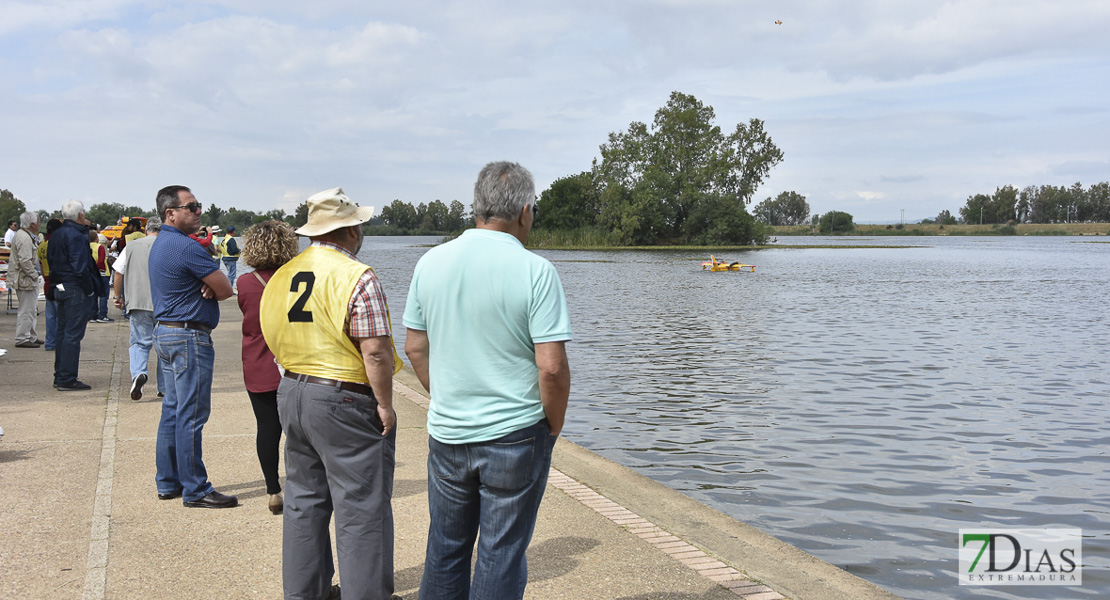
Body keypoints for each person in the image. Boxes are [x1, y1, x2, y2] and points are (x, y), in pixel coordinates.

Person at [403, 161, 572, 600]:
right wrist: (552, 425)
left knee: (445, 549)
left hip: (449, 430)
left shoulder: (430, 262)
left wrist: (445, 396)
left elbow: (415, 348)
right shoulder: (536, 271)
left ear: (477, 207)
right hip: (515, 434)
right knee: (501, 553)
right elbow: (551, 367)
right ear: (524, 211)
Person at [259, 188, 403, 600]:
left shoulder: (282, 274)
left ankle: (306, 592)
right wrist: (385, 405)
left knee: (304, 501)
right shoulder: (357, 275)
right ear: (351, 230)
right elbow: (374, 349)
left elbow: (271, 333)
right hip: (343, 397)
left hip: (293, 389)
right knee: (361, 507)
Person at [149, 185, 237, 509]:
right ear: (170, 213)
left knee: (172, 410)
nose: (198, 211)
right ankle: (196, 488)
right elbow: (227, 288)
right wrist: (211, 285)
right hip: (188, 337)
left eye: (198, 206)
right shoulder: (187, 247)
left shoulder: (161, 243)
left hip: (166, 333)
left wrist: (206, 285)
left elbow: (215, 286)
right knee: (192, 414)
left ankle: (168, 481)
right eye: (191, 207)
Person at [236, 220, 298, 516]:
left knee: (267, 428)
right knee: (299, 430)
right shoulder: (298, 278)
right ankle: (304, 484)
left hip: (258, 360)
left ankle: (273, 489)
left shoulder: (245, 283)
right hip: (295, 360)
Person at [47, 200, 104, 391]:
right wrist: (88, 289)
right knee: (72, 334)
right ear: (80, 215)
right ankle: (67, 378)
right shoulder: (77, 235)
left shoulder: (56, 234)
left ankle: (61, 374)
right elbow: (80, 266)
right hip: (73, 286)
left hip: (60, 285)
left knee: (63, 332)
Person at [112, 216, 165, 401]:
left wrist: (117, 297)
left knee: (139, 343)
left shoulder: (132, 246)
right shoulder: (168, 246)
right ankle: (164, 387)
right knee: (163, 346)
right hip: (164, 304)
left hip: (138, 302)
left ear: (145, 230)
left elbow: (118, 271)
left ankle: (138, 373)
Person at [10, 211, 42, 348]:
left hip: (26, 278)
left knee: (31, 310)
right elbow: (25, 261)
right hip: (25, 279)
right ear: (32, 224)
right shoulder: (24, 238)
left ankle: (31, 336)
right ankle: (22, 338)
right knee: (26, 310)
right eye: (39, 222)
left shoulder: (26, 235)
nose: (40, 224)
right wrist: (34, 275)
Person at [38, 218, 63, 351]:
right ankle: (60, 343)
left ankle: (50, 343)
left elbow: (41, 265)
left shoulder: (42, 245)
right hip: (59, 282)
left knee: (50, 315)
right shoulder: (59, 243)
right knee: (61, 314)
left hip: (47, 281)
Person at [89, 230, 113, 323]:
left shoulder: (86, 247)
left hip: (91, 274)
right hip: (102, 274)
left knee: (93, 295)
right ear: (97, 238)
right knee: (103, 295)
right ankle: (102, 315)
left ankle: (93, 315)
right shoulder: (100, 247)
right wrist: (101, 270)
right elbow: (101, 260)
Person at [219, 225, 241, 290]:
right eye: (235, 231)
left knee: (229, 274)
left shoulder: (225, 239)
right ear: (233, 231)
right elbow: (234, 250)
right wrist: (238, 251)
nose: (235, 232)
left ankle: (227, 288)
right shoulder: (231, 239)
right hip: (231, 259)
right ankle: (229, 289)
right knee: (232, 275)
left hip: (225, 258)